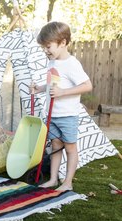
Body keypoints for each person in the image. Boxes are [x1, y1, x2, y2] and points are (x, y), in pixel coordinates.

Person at [32, 21, 93, 191]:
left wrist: (62, 93)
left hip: (67, 115)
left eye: (48, 46)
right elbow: (53, 85)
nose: (45, 50)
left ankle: (67, 183)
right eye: (43, 47)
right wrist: (40, 88)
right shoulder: (52, 62)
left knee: (70, 148)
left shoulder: (71, 63)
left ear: (63, 43)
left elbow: (87, 86)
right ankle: (53, 179)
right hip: (53, 114)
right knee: (56, 145)